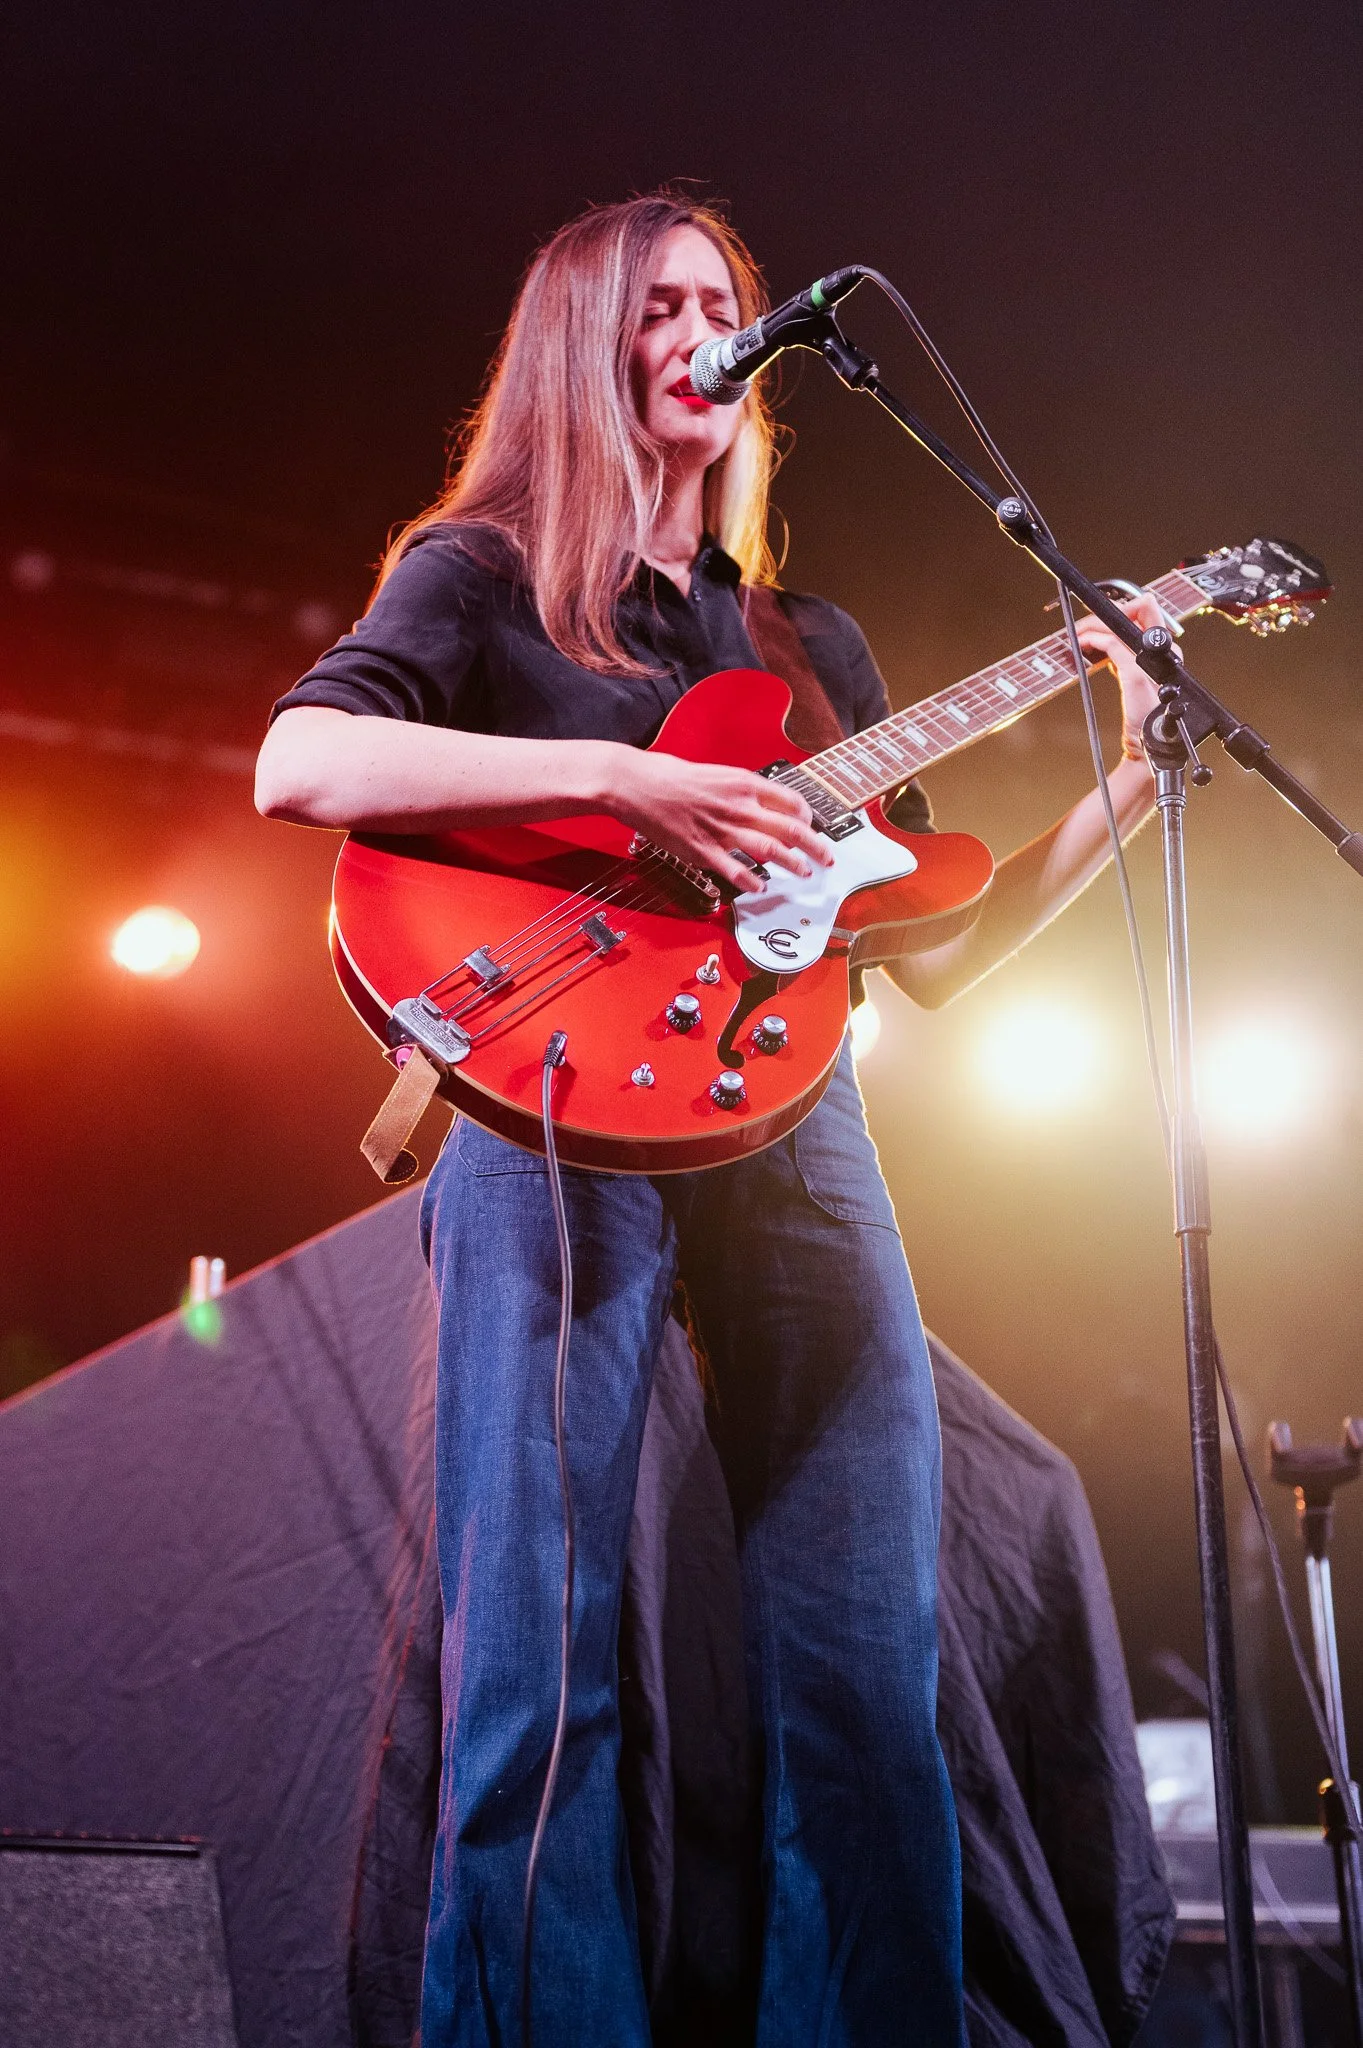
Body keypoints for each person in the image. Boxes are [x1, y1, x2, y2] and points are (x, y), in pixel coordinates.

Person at [256, 192, 1162, 2048]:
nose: (704, 332)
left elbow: (932, 953)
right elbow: (303, 760)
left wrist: (1136, 775)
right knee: (540, 1660)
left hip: (792, 1121)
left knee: (869, 1666)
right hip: (550, 1100)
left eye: (723, 303)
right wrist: (620, 777)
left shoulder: (803, 639)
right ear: (583, 346)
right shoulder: (484, 574)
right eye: (659, 304)